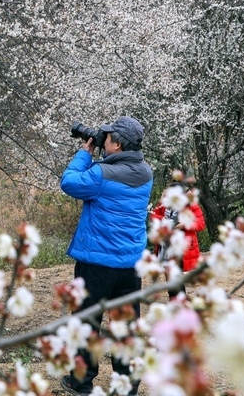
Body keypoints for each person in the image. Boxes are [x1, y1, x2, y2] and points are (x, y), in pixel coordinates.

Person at [59, 116, 152, 396]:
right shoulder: (146, 173)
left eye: (108, 137)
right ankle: (128, 385)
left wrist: (84, 153)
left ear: (118, 144)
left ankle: (81, 381)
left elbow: (69, 182)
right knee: (125, 325)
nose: (104, 139)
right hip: (129, 264)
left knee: (87, 322)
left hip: (97, 264)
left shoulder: (100, 175)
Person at [150, 199, 206, 297]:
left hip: (182, 245)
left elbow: (200, 224)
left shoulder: (191, 204)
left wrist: (184, 225)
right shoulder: (164, 202)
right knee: (168, 272)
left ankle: (179, 299)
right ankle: (174, 297)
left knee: (176, 272)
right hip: (165, 243)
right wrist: (163, 219)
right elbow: (153, 215)